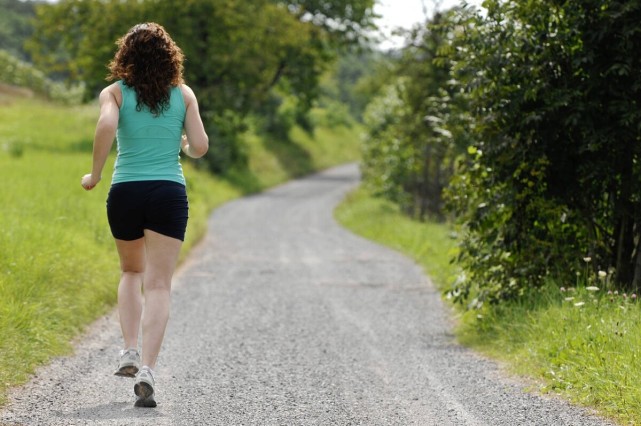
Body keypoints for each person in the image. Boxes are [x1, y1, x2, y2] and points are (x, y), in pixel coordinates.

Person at [81, 22, 209, 408]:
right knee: (158, 285)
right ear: (170, 55)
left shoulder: (115, 93)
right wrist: (185, 144)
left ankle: (129, 351)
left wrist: (96, 174)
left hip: (126, 191)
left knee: (131, 272)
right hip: (168, 192)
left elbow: (105, 125)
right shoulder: (183, 94)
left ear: (126, 55)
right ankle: (149, 370)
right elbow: (200, 146)